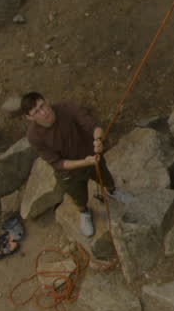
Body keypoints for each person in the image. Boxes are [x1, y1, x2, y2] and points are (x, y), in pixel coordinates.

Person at [20, 92, 117, 237]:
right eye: (36, 111)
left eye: (42, 105)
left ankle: (113, 191)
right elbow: (57, 163)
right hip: (69, 173)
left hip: (93, 158)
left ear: (47, 100)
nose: (44, 112)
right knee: (79, 197)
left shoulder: (67, 107)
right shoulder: (34, 136)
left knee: (107, 178)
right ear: (29, 117)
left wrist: (98, 139)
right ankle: (84, 212)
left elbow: (93, 126)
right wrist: (84, 162)